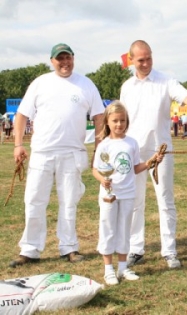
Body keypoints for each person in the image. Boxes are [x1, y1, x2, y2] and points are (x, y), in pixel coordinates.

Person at [120, 40, 187, 269]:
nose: (146, 63)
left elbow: (186, 97)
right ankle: (135, 248)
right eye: (141, 60)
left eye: (149, 58)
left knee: (166, 201)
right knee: (134, 202)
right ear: (131, 60)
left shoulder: (165, 81)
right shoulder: (127, 87)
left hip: (160, 151)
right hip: (134, 153)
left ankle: (169, 251)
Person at [9, 43, 104, 268]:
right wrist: (18, 145)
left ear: (73, 58)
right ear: (52, 61)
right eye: (59, 59)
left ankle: (69, 247)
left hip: (72, 153)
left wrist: (99, 149)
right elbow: (21, 115)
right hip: (42, 152)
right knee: (33, 200)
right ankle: (30, 249)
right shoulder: (40, 83)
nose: (64, 63)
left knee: (69, 201)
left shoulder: (86, 84)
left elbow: (99, 117)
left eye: (68, 58)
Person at [92, 101, 165, 285]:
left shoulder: (132, 143)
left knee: (125, 230)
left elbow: (133, 168)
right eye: (115, 120)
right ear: (107, 122)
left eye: (122, 120)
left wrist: (151, 161)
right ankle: (108, 269)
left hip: (127, 193)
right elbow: (95, 169)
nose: (119, 124)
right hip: (109, 195)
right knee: (108, 229)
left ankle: (123, 267)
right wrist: (103, 180)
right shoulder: (104, 145)